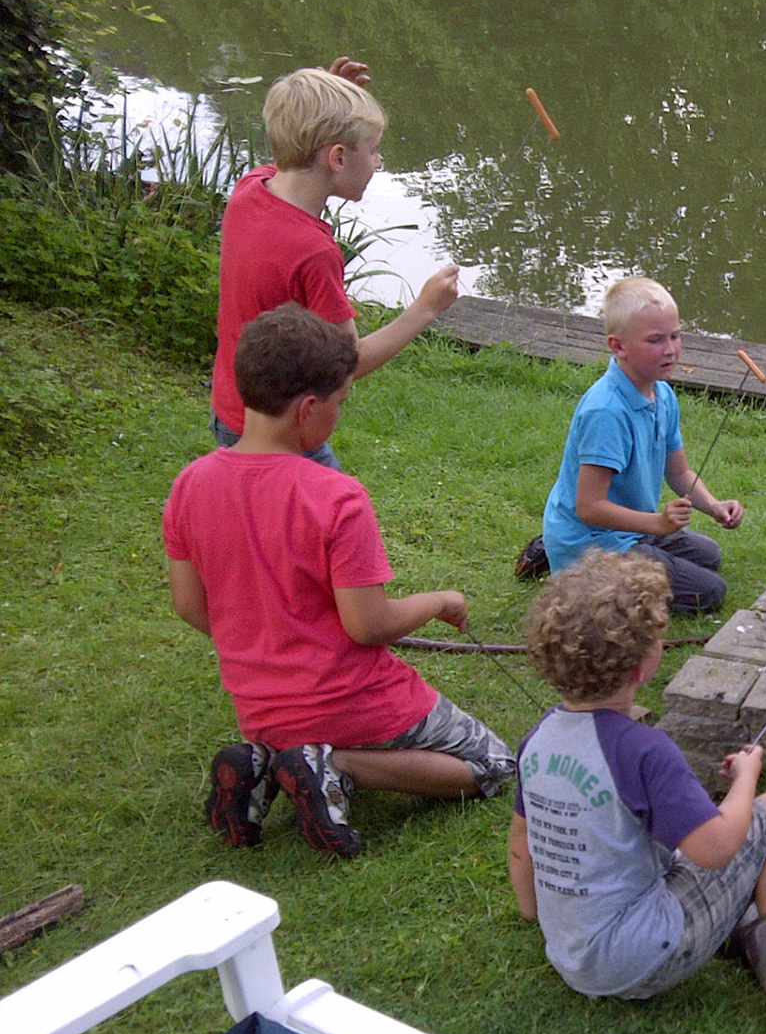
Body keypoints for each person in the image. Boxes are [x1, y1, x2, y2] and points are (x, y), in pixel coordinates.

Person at [165, 306, 515, 857]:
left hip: (259, 707)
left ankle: (259, 765)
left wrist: (263, 640)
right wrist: (438, 600)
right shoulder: (335, 496)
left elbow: (189, 605)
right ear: (308, 409)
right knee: (494, 765)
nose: (338, 414)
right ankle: (334, 763)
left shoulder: (189, 485)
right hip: (353, 703)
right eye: (339, 404)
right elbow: (369, 625)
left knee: (286, 735)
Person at [509, 550, 766, 1034]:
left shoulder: (539, 740)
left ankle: (761, 938)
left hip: (571, 952)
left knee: (667, 838)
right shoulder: (643, 750)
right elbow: (717, 851)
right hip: (642, 959)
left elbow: (522, 846)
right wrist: (745, 780)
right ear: (644, 663)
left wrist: (538, 915)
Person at [211, 59, 461, 468]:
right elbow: (345, 365)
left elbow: (297, 149)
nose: (378, 162)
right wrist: (425, 309)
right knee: (326, 521)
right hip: (285, 430)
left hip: (232, 409)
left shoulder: (249, 190)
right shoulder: (313, 253)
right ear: (338, 158)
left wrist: (325, 101)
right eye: (374, 150)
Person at [540, 277, 743, 611]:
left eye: (675, 336)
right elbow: (589, 507)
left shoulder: (662, 393)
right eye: (655, 340)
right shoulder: (605, 411)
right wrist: (658, 525)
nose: (671, 349)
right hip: (593, 542)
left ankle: (635, 554)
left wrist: (714, 505)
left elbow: (679, 472)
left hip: (630, 528)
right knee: (709, 592)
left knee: (710, 555)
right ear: (618, 347)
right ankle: (571, 570)